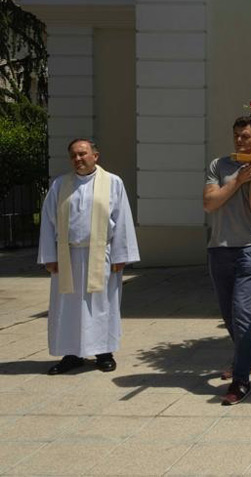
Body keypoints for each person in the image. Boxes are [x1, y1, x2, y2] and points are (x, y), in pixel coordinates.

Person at [38, 139, 139, 376]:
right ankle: (71, 354)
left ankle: (104, 353)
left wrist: (120, 255)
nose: (78, 159)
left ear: (95, 155)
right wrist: (49, 256)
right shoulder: (60, 185)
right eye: (73, 155)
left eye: (82, 154)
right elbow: (48, 221)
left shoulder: (113, 183)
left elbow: (122, 219)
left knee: (101, 305)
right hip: (68, 255)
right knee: (68, 307)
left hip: (101, 255)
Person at [203, 117, 251, 405]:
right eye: (236, 136)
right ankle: (250, 358)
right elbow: (209, 203)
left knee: (241, 311)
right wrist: (237, 179)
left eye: (246, 136)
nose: (239, 141)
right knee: (227, 313)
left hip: (249, 248)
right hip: (219, 247)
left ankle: (241, 380)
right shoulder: (218, 165)